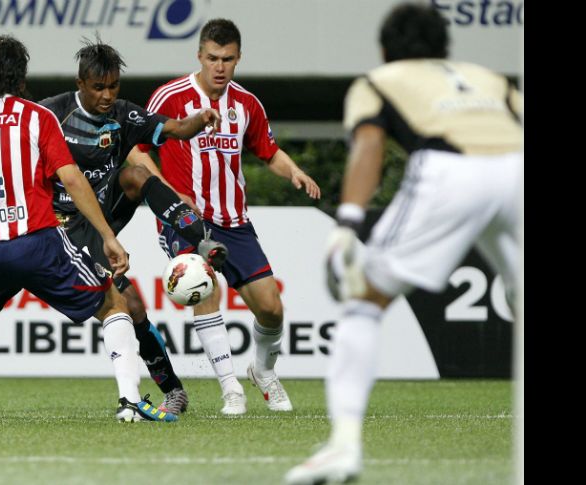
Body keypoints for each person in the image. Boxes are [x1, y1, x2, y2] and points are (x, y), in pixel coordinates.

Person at [284, 3, 523, 483]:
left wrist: (347, 224)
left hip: (451, 169)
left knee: (364, 302)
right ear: (445, 47)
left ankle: (343, 446)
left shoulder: (379, 80)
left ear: (385, 49)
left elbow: (369, 144)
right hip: (518, 167)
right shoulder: (491, 78)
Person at [0, 35, 178, 424]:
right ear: (19, 75)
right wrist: (108, 236)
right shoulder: (35, 117)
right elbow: (73, 180)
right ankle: (130, 401)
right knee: (114, 303)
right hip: (36, 239)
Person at [129, 18, 321, 415]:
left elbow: (268, 151)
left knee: (271, 308)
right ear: (199, 55)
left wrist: (295, 171)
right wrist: (167, 194)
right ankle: (230, 387)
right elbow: (138, 151)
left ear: (238, 60)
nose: (219, 66)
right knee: (205, 285)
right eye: (213, 58)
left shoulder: (247, 104)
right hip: (185, 220)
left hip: (234, 222)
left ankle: (263, 372)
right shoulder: (169, 97)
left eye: (228, 59)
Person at [38, 38, 229, 415]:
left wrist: (199, 120)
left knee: (138, 174)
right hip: (64, 227)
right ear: (80, 83)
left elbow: (175, 128)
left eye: (113, 86)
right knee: (134, 307)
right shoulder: (50, 115)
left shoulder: (124, 115)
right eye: (98, 88)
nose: (107, 95)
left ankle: (201, 242)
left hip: (104, 216)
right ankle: (168, 389)